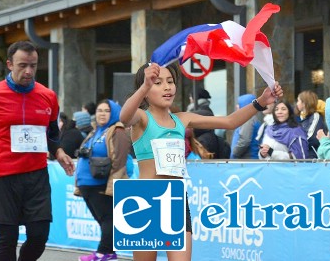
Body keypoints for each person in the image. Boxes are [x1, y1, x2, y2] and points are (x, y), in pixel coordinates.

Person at [119, 62, 282, 261]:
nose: (167, 87)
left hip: (175, 199)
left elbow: (230, 122)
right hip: (144, 199)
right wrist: (145, 84)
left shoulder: (183, 119)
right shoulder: (141, 118)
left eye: (170, 81)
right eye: (158, 82)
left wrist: (261, 101)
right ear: (145, 90)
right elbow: (124, 117)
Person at [0, 40, 75, 261]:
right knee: (7, 238)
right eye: (22, 65)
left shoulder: (48, 95)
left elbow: (52, 135)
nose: (28, 71)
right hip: (3, 177)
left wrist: (59, 152)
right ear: (9, 64)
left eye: (33, 65)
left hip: (36, 175)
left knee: (39, 236)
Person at [75, 99, 132, 261]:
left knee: (109, 219)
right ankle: (110, 253)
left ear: (114, 113)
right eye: (99, 110)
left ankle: (103, 253)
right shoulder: (95, 132)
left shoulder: (117, 131)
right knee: (104, 219)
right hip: (87, 185)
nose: (102, 114)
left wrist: (112, 185)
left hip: (102, 184)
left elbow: (119, 160)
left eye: (106, 111)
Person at [296, 90, 327, 158]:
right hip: (304, 154)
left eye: (298, 101)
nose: (297, 103)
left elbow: (311, 137)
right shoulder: (304, 118)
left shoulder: (315, 116)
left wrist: (296, 144)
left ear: (304, 103)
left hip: (312, 156)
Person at [230, 94, 263, 159]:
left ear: (245, 105)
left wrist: (234, 154)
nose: (237, 106)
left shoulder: (248, 119)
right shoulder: (251, 118)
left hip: (247, 162)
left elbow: (244, 141)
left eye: (239, 104)